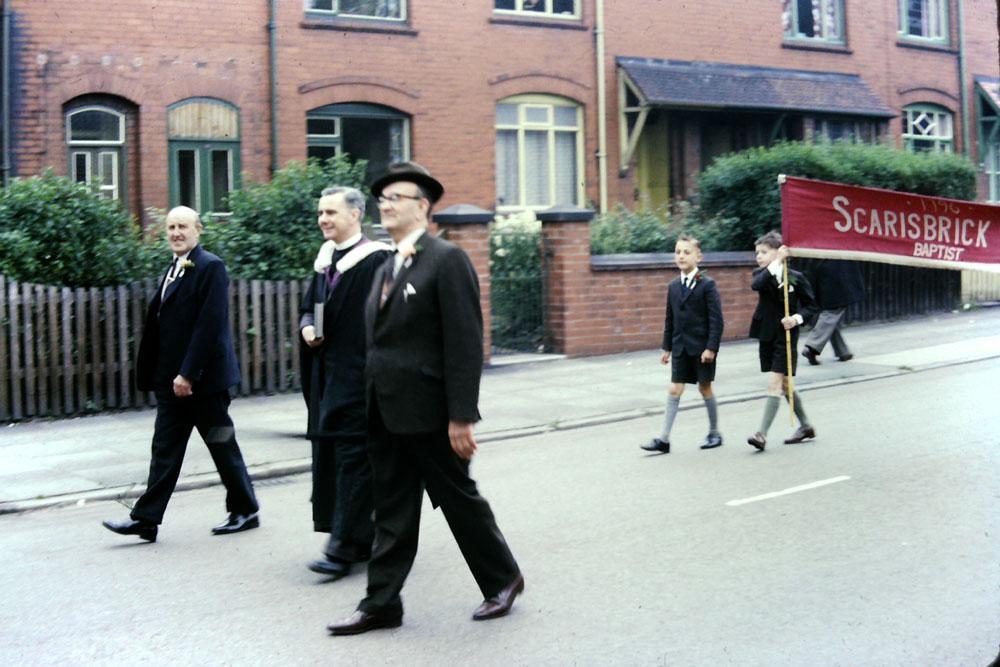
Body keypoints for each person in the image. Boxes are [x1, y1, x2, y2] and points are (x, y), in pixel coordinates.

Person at [326, 162, 523, 636]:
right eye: (383, 198)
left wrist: (462, 416)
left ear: (423, 206)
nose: (386, 204)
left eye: (397, 196)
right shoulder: (386, 263)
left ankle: (503, 580)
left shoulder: (446, 259)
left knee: (459, 501)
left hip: (431, 413)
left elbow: (464, 341)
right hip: (386, 411)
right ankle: (381, 604)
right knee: (392, 511)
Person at [102, 206, 259, 542]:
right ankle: (146, 519)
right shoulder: (174, 267)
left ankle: (245, 510)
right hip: (172, 384)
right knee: (165, 449)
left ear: (198, 229)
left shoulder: (210, 266)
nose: (176, 233)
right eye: (171, 227)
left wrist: (188, 373)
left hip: (204, 382)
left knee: (221, 444)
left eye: (183, 227)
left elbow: (209, 325)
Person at [299, 186, 391, 579]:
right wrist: (306, 327)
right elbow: (308, 308)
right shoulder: (325, 262)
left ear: (355, 215)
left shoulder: (376, 261)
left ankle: (340, 547)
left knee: (354, 460)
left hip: (360, 377)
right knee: (334, 460)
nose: (324, 219)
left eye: (332, 212)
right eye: (321, 212)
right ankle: (359, 536)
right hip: (328, 378)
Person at [642, 234, 724, 454]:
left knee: (704, 387)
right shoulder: (673, 286)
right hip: (680, 347)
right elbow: (670, 319)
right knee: (674, 389)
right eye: (678, 252)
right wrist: (666, 347)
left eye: (687, 252)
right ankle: (664, 439)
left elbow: (716, 320)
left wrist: (711, 347)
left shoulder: (707, 285)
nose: (681, 256)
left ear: (698, 257)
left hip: (702, 349)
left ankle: (715, 432)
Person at [746, 231, 818, 451]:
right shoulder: (762, 274)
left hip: (785, 338)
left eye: (764, 252)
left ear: (778, 251)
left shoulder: (795, 277)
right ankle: (806, 426)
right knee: (786, 385)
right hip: (768, 335)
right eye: (757, 252)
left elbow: (812, 307)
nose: (759, 256)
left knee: (775, 383)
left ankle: (761, 435)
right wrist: (775, 262)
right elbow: (756, 285)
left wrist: (796, 319)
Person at [802, 259, 865, 365]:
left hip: (816, 265)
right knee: (833, 310)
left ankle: (842, 351)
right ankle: (812, 346)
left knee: (828, 311)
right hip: (837, 268)